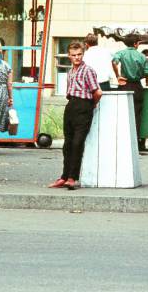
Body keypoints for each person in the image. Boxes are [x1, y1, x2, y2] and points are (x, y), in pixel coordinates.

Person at [49, 41, 102, 190]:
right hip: (71, 104)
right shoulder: (71, 71)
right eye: (74, 55)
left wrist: (91, 104)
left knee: (77, 143)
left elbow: (97, 92)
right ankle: (64, 176)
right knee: (67, 144)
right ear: (69, 56)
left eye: (79, 55)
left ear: (83, 54)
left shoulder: (88, 70)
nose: (77, 58)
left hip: (84, 105)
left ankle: (72, 177)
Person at [112, 37, 148, 150]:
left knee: (123, 115)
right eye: (138, 43)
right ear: (135, 44)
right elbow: (146, 73)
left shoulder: (121, 53)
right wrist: (140, 75)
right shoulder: (142, 56)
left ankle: (122, 142)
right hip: (137, 86)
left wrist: (118, 75)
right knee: (137, 116)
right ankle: (135, 142)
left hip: (124, 85)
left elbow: (114, 61)